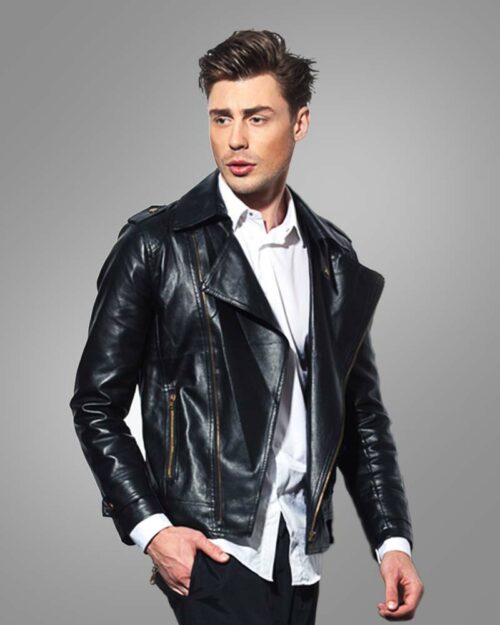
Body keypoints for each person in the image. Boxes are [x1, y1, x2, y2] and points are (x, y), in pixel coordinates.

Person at [70, 29, 424, 624]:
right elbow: (95, 404)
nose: (235, 139)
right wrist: (152, 530)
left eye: (257, 118)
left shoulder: (332, 256)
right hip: (211, 551)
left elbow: (359, 414)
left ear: (299, 123)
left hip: (299, 554)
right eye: (221, 118)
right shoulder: (157, 246)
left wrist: (393, 541)